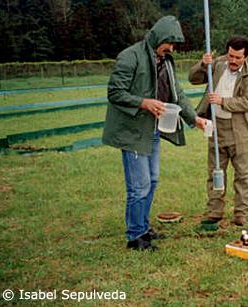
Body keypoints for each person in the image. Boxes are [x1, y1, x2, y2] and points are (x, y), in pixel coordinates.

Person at [102, 16, 207, 251]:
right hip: (133, 131)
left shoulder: (166, 61)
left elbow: (177, 94)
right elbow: (114, 92)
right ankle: (135, 237)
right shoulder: (130, 56)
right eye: (169, 42)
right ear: (158, 36)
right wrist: (143, 102)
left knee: (152, 181)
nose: (171, 48)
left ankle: (143, 227)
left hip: (153, 131)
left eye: (174, 44)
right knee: (138, 186)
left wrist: (194, 119)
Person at [189, 36, 248, 227]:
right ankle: (215, 211)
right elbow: (193, 79)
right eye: (231, 55)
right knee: (215, 172)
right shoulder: (218, 64)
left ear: (245, 57)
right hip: (216, 127)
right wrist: (203, 65)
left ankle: (240, 214)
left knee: (243, 175)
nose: (233, 61)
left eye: (238, 57)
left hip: (240, 132)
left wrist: (223, 101)